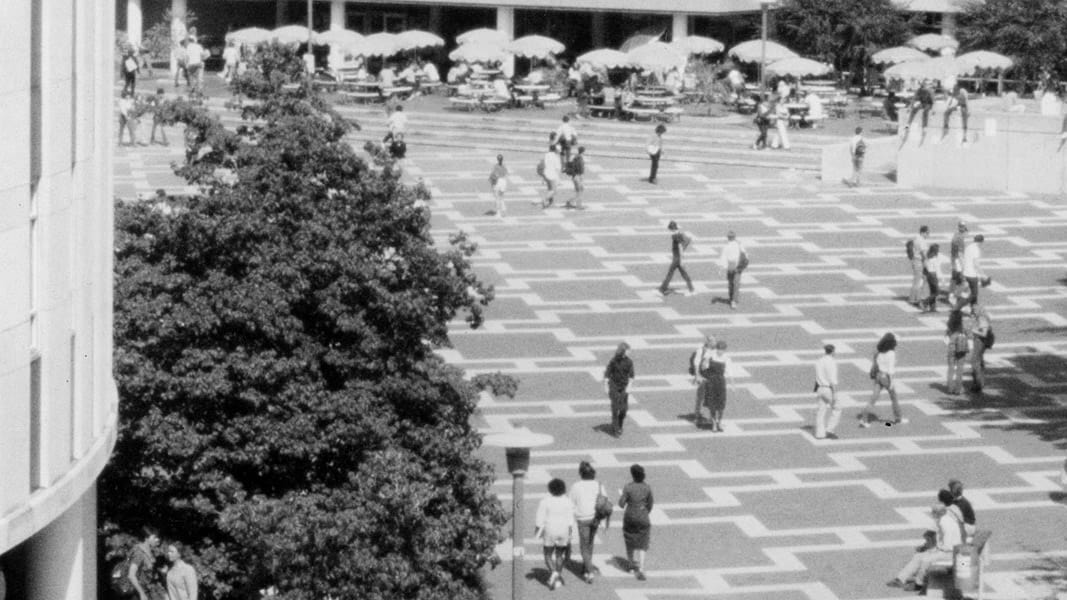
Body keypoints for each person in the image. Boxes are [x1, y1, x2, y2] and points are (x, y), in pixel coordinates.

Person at [887, 489, 965, 593]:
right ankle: (900, 579)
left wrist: (931, 549)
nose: (932, 515)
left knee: (925, 560)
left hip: (949, 552)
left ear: (938, 513)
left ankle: (919, 584)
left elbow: (942, 542)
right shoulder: (946, 519)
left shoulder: (943, 523)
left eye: (934, 513)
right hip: (947, 550)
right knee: (918, 556)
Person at [534, 478, 577, 590]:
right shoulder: (568, 501)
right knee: (559, 555)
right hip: (563, 530)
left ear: (550, 489)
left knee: (547, 555)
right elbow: (570, 519)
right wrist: (570, 532)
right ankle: (557, 576)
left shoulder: (545, 501)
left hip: (549, 529)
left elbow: (540, 518)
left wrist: (537, 531)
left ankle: (553, 573)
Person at [569, 461, 607, 584]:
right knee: (590, 543)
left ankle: (589, 571)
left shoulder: (576, 486)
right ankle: (586, 567)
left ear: (581, 473)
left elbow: (571, 503)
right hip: (596, 518)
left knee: (584, 546)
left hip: (582, 519)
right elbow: (605, 499)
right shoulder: (599, 485)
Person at [859, 332, 907, 427]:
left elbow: (876, 364)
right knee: (894, 398)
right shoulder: (891, 353)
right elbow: (890, 370)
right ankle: (898, 418)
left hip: (878, 376)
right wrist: (892, 382)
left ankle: (864, 419)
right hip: (886, 378)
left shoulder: (878, 352)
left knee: (873, 399)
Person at [619, 464, 654, 581]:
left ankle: (630, 565)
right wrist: (644, 512)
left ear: (632, 475)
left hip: (630, 516)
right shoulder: (647, 487)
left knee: (629, 540)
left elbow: (621, 504)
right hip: (643, 516)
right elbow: (650, 504)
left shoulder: (628, 487)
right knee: (643, 542)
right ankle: (641, 568)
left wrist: (623, 497)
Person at [603, 342, 634, 437]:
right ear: (623, 351)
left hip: (624, 386)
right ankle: (616, 429)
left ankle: (619, 423)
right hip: (614, 386)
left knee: (624, 409)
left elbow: (632, 376)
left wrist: (629, 386)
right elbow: (607, 374)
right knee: (615, 407)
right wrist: (606, 386)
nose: (630, 352)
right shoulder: (614, 361)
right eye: (629, 350)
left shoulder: (629, 362)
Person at [701, 340, 733, 432]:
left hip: (721, 382)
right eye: (719, 349)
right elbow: (703, 367)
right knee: (712, 404)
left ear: (725, 350)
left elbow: (729, 371)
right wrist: (705, 361)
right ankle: (714, 423)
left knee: (721, 404)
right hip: (711, 381)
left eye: (722, 349)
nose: (720, 351)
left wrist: (732, 383)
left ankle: (720, 422)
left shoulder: (726, 358)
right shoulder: (711, 355)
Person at [658, 221, 694, 296]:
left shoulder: (675, 236)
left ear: (672, 229)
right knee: (683, 274)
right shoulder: (679, 234)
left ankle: (662, 290)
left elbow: (680, 247)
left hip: (677, 258)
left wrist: (681, 259)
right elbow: (688, 240)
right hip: (678, 257)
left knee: (670, 274)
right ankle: (691, 289)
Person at [813, 344, 841, 440]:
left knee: (821, 411)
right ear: (833, 351)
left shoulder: (819, 361)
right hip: (828, 389)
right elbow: (832, 379)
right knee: (837, 408)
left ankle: (819, 434)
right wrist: (834, 393)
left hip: (820, 388)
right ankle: (830, 429)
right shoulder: (832, 362)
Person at [128, 526, 162, 600]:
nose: (157, 540)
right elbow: (131, 575)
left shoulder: (150, 552)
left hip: (148, 592)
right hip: (139, 595)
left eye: (158, 537)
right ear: (147, 538)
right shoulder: (139, 553)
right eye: (155, 537)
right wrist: (142, 594)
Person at [691, 335, 716, 423]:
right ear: (708, 342)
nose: (714, 342)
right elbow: (696, 362)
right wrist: (697, 375)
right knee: (700, 396)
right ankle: (697, 415)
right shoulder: (701, 350)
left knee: (712, 397)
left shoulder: (715, 350)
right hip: (703, 375)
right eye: (712, 341)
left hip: (712, 376)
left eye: (714, 341)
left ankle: (711, 418)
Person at [719, 230, 746, 309]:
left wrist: (721, 269)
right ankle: (734, 301)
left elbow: (723, 258)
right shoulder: (739, 245)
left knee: (731, 284)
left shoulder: (726, 246)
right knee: (736, 284)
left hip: (730, 267)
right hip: (738, 267)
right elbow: (744, 255)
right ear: (735, 237)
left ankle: (732, 299)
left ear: (728, 238)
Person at [945, 309, 970, 395]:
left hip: (951, 346)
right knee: (960, 368)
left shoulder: (950, 325)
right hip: (961, 346)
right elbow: (969, 334)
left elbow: (947, 334)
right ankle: (958, 388)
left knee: (951, 368)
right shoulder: (962, 326)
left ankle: (950, 388)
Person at [970, 304, 992, 393]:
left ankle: (978, 383)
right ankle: (980, 382)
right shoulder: (981, 317)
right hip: (979, 342)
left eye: (974, 310)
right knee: (980, 361)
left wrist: (974, 330)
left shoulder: (982, 319)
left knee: (975, 362)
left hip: (980, 342)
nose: (973, 312)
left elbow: (984, 333)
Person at [962, 234, 987, 311]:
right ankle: (961, 305)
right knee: (974, 294)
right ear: (981, 242)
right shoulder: (976, 249)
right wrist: (983, 275)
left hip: (965, 272)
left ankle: (973, 310)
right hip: (972, 274)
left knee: (972, 293)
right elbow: (976, 264)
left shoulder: (968, 247)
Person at [908, 225, 931, 306]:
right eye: (927, 233)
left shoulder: (917, 239)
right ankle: (915, 299)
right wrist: (927, 265)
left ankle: (915, 297)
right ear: (923, 232)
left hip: (915, 261)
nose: (928, 235)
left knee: (920, 280)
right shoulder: (921, 241)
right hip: (919, 262)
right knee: (918, 281)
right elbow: (924, 255)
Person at [922, 243, 946, 312]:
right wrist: (942, 279)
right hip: (933, 275)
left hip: (928, 275)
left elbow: (925, 266)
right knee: (937, 292)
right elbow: (937, 269)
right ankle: (925, 302)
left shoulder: (927, 257)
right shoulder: (935, 258)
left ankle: (933, 308)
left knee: (932, 291)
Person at [950, 220, 968, 296]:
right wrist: (957, 258)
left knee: (956, 276)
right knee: (960, 277)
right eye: (961, 226)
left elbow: (966, 231)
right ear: (959, 227)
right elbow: (954, 245)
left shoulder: (961, 234)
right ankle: (955, 294)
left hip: (959, 256)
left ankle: (952, 292)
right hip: (957, 257)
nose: (963, 228)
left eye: (963, 226)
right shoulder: (957, 236)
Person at [540, 144, 562, 208]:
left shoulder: (546, 155)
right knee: (554, 191)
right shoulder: (555, 156)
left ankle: (550, 202)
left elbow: (543, 164)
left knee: (550, 188)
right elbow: (558, 168)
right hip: (552, 175)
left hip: (545, 173)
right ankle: (545, 199)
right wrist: (558, 177)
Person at [565, 146, 586, 210]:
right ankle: (578, 205)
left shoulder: (575, 157)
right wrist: (582, 178)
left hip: (574, 176)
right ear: (583, 151)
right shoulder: (580, 159)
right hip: (577, 177)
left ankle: (569, 201)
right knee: (580, 191)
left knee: (579, 190)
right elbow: (581, 170)